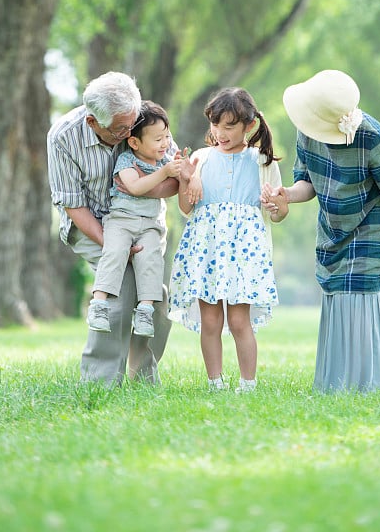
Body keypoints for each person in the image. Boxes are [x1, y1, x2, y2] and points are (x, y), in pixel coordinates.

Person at [262, 69, 380, 393]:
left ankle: (370, 385)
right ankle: (338, 384)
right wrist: (285, 194)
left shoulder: (374, 138)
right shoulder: (309, 130)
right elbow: (308, 185)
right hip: (333, 228)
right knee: (339, 297)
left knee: (358, 298)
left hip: (374, 228)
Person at [47, 72, 184, 385]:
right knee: (119, 291)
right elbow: (73, 205)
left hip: (144, 222)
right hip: (92, 224)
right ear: (94, 122)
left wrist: (137, 188)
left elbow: (173, 178)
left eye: (131, 124)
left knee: (156, 299)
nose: (129, 134)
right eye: (121, 129)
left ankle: (142, 376)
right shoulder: (64, 137)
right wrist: (113, 244)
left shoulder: (140, 120)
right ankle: (100, 381)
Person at [169, 87, 283, 393]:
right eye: (215, 125)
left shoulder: (262, 162)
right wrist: (185, 179)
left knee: (238, 320)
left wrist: (276, 205)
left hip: (243, 252)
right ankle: (215, 382)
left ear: (249, 125)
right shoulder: (201, 159)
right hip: (207, 250)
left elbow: (278, 211)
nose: (220, 133)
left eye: (229, 126)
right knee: (210, 321)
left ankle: (248, 382)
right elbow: (185, 209)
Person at [87, 100, 184, 337]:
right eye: (158, 139)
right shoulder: (126, 160)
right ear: (134, 142)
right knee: (115, 252)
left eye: (167, 137)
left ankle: (145, 309)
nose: (165, 144)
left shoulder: (165, 161)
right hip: (121, 220)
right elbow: (135, 187)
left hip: (150, 225)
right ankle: (98, 303)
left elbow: (182, 178)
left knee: (151, 261)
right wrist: (164, 173)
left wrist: (184, 170)